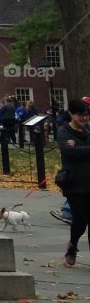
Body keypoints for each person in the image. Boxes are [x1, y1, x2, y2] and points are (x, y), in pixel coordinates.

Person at [56, 98, 90, 268]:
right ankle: (73, 246)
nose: (84, 118)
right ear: (71, 114)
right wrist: (78, 149)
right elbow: (69, 152)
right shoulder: (64, 131)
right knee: (81, 219)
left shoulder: (88, 130)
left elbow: (76, 151)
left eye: (86, 115)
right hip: (74, 183)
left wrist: (78, 149)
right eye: (80, 115)